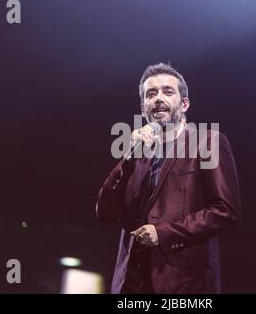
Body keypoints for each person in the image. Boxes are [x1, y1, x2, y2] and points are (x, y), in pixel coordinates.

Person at [96, 63, 241, 293]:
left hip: (183, 284)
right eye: (151, 94)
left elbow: (224, 210)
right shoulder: (138, 154)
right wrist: (129, 157)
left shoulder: (207, 141)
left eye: (168, 91)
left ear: (184, 103)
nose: (158, 99)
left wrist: (163, 233)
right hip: (131, 286)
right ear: (143, 108)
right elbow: (105, 211)